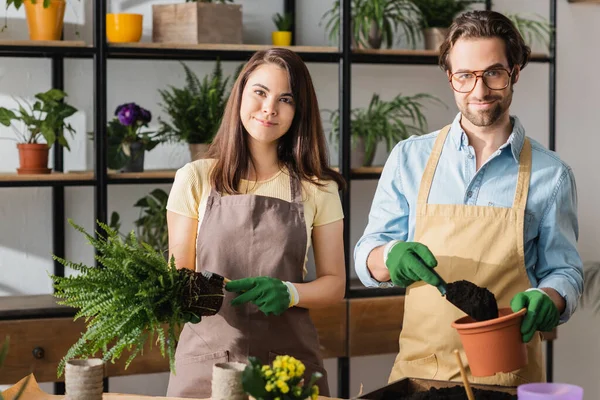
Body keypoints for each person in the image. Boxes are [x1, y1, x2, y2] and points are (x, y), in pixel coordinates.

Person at [354, 10, 583, 386]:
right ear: (450, 78)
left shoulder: (551, 175)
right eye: (465, 76)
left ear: (515, 73)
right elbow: (368, 255)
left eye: (493, 72)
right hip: (418, 377)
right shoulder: (409, 158)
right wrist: (389, 255)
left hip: (508, 379)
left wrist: (551, 296)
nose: (479, 91)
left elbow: (566, 271)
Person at [164, 48, 346, 398]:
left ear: (298, 111)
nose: (269, 108)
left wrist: (290, 292)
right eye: (260, 92)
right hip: (206, 365)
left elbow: (335, 285)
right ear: (241, 95)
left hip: (287, 367)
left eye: (286, 99)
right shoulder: (195, 178)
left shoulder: (318, 188)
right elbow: (180, 276)